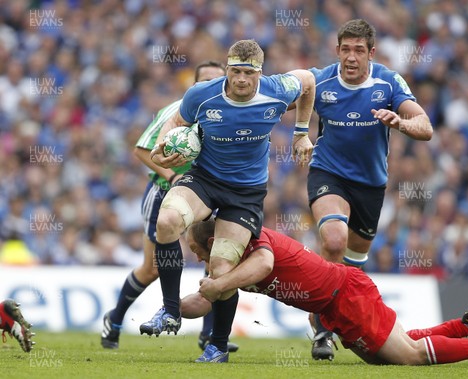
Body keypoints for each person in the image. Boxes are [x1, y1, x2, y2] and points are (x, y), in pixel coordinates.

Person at [140, 39, 315, 361]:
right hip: (205, 179)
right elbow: (177, 121)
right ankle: (170, 310)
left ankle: (217, 346)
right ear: (227, 69)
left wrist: (302, 132)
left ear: (260, 72)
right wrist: (162, 143)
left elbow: (308, 80)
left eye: (249, 73)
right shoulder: (202, 94)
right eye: (235, 72)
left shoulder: (277, 89)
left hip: (245, 192)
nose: (241, 80)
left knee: (222, 268)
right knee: (167, 221)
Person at [178, 220, 468, 368]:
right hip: (335, 302)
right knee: (389, 353)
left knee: (408, 357)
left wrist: (219, 286)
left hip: (344, 294)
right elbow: (201, 301)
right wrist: (170, 308)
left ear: (212, 241)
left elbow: (264, 265)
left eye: (195, 249)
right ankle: (466, 325)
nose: (195, 257)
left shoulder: (250, 243)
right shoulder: (225, 261)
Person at [306, 19, 433, 359]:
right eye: (345, 49)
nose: (351, 57)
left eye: (358, 50)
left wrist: (401, 122)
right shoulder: (320, 80)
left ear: (371, 53)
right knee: (333, 240)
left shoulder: (389, 82)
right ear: (337, 51)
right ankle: (322, 330)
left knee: (352, 267)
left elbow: (425, 126)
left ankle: (327, 314)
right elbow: (281, 96)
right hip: (327, 173)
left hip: (371, 186)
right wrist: (296, 131)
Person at [101, 61, 236, 352]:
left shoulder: (228, 112)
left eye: (216, 80)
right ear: (194, 86)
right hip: (165, 192)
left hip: (207, 195)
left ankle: (210, 336)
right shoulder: (177, 110)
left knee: (216, 264)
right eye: (205, 81)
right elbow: (141, 149)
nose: (210, 86)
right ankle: (114, 319)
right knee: (152, 268)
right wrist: (174, 176)